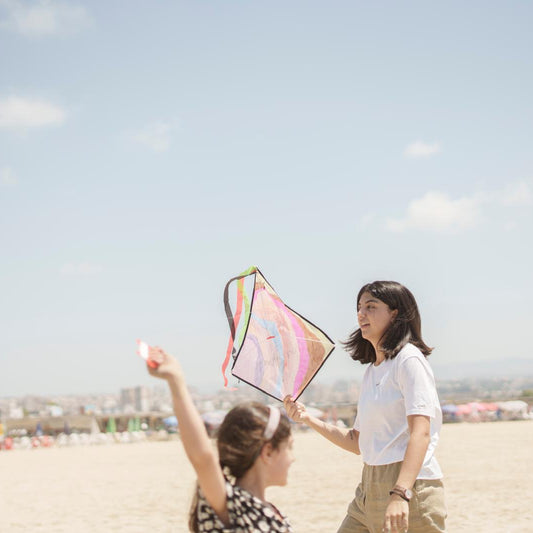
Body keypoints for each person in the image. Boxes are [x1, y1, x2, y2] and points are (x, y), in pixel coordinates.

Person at [284, 281, 446, 533]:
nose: (361, 314)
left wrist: (401, 492)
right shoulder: (372, 371)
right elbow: (357, 441)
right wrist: (307, 418)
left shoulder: (409, 360)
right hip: (368, 488)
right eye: (359, 307)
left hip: (408, 485)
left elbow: (421, 433)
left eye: (371, 306)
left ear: (395, 313)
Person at [145, 345, 295, 532]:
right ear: (268, 452)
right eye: (289, 447)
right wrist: (176, 381)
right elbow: (203, 458)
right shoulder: (235, 505)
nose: (293, 458)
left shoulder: (269, 511)